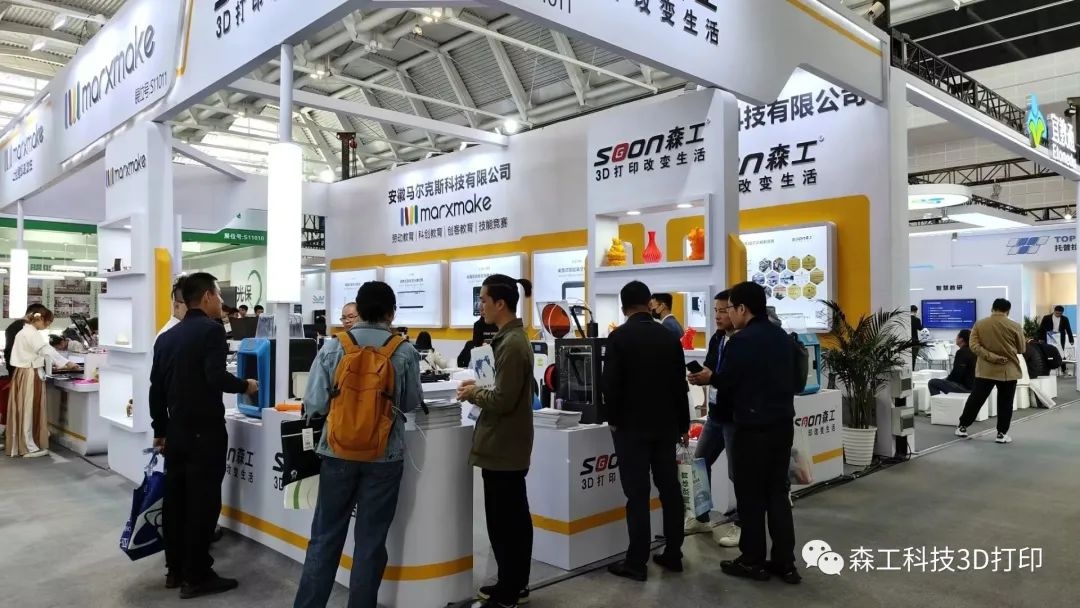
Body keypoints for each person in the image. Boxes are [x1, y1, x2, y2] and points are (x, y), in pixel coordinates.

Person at [294, 281, 422, 608]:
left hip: (337, 452)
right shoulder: (404, 350)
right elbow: (410, 403)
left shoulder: (334, 347)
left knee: (324, 538)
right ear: (391, 313)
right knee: (370, 543)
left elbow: (315, 403)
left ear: (359, 310)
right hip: (385, 456)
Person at [150, 273, 258, 598]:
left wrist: (160, 430)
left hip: (176, 432)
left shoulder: (167, 337)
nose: (220, 302)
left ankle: (175, 569)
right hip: (205, 432)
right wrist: (245, 385)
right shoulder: (211, 330)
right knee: (203, 503)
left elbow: (156, 389)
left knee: (176, 502)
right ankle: (197, 576)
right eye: (218, 295)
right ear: (208, 296)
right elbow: (215, 376)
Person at [600, 280, 690, 582]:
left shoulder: (619, 337)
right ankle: (674, 553)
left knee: (637, 495)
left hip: (631, 428)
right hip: (666, 426)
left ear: (623, 306)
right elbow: (679, 385)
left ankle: (636, 562)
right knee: (670, 489)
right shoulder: (668, 337)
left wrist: (612, 418)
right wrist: (683, 424)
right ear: (649, 303)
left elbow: (610, 385)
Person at [712, 281, 800, 584]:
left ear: (742, 309)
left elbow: (729, 384)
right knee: (777, 493)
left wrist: (712, 379)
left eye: (729, 308)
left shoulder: (741, 341)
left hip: (751, 429)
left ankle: (752, 560)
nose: (728, 314)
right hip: (782, 425)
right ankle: (785, 563)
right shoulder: (781, 337)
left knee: (750, 497)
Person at [456, 275, 535, 608]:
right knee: (507, 519)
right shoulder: (507, 340)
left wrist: (474, 393)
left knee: (507, 522)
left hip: (504, 445)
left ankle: (510, 591)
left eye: (484, 300)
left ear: (500, 303)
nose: (481, 307)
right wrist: (478, 388)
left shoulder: (513, 344)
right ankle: (511, 582)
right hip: (502, 444)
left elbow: (502, 400)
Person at [686, 290, 741, 547]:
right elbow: (710, 366)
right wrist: (700, 376)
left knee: (737, 473)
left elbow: (738, 379)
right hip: (716, 414)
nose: (718, 316)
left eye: (723, 310)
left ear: (736, 310)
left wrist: (713, 377)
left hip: (736, 416)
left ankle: (742, 525)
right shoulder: (718, 338)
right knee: (699, 462)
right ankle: (702, 517)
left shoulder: (745, 341)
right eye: (715, 311)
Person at [955, 298, 1026, 444]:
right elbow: (1021, 349)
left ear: (992, 308)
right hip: (1008, 370)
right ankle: (1001, 434)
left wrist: (992, 357)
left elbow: (973, 346)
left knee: (976, 399)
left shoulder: (979, 324)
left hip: (985, 370)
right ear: (1008, 311)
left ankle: (962, 427)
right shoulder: (1015, 326)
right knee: (1005, 403)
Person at [6, 305, 57, 458]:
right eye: (48, 322)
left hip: (24, 372)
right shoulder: (31, 333)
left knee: (24, 409)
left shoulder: (23, 331)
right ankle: (29, 447)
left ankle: (23, 444)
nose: (47, 325)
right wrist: (66, 363)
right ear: (39, 319)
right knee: (28, 409)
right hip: (29, 373)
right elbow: (46, 350)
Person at [928, 330, 976, 396]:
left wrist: (947, 381)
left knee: (932, 383)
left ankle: (938, 401)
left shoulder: (961, 352)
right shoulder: (973, 351)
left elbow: (957, 373)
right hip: (974, 386)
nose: (955, 338)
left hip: (965, 387)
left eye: (957, 336)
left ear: (961, 339)